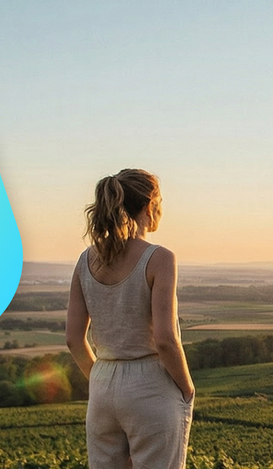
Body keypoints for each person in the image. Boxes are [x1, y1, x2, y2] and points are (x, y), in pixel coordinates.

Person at [65, 169, 195, 468]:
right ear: (150, 206)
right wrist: (187, 389)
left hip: (102, 383)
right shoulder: (160, 258)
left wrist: (101, 378)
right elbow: (165, 340)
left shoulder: (85, 260)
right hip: (151, 383)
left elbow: (74, 339)